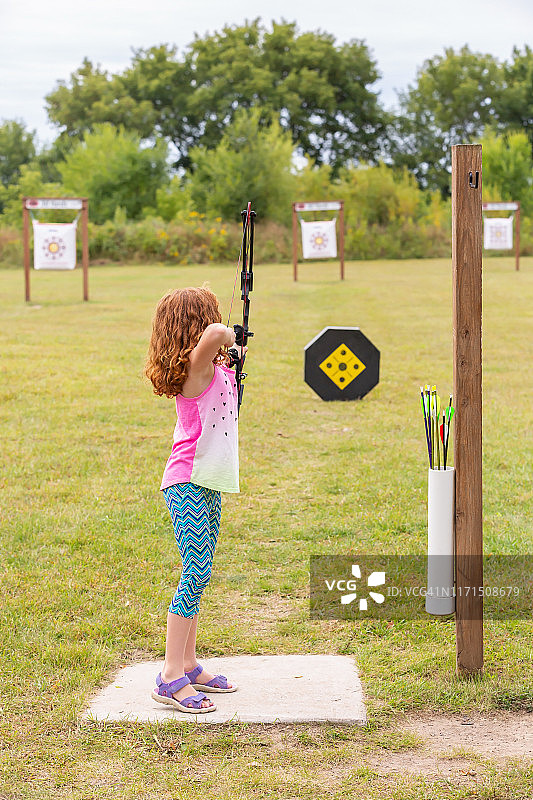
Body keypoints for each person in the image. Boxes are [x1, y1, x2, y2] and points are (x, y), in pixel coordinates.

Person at [145, 286, 243, 714]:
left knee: (199, 574)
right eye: (208, 317)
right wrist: (228, 334)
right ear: (194, 326)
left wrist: (236, 360)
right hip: (186, 483)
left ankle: (188, 662)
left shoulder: (210, 370)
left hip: (208, 482)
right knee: (194, 574)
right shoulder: (194, 368)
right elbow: (215, 335)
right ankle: (169, 676)